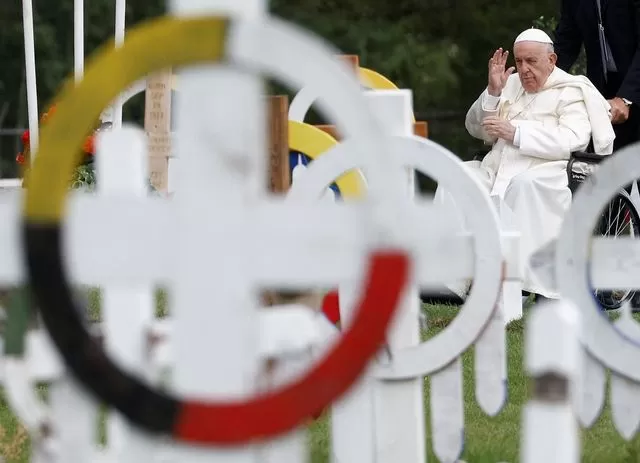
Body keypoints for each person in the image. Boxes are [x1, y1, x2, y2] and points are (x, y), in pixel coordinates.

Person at [439, 28, 615, 302]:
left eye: (531, 61)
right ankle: (451, 280)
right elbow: (477, 129)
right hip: (496, 168)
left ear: (552, 60)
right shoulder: (508, 84)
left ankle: (523, 284)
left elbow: (573, 139)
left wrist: (516, 133)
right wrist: (493, 93)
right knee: (456, 176)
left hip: (547, 171)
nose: (524, 69)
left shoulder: (570, 90)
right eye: (519, 62)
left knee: (523, 186)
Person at [554, 0, 640, 150]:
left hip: (633, 84)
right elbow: (566, 43)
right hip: (604, 93)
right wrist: (540, 78)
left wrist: (627, 97)